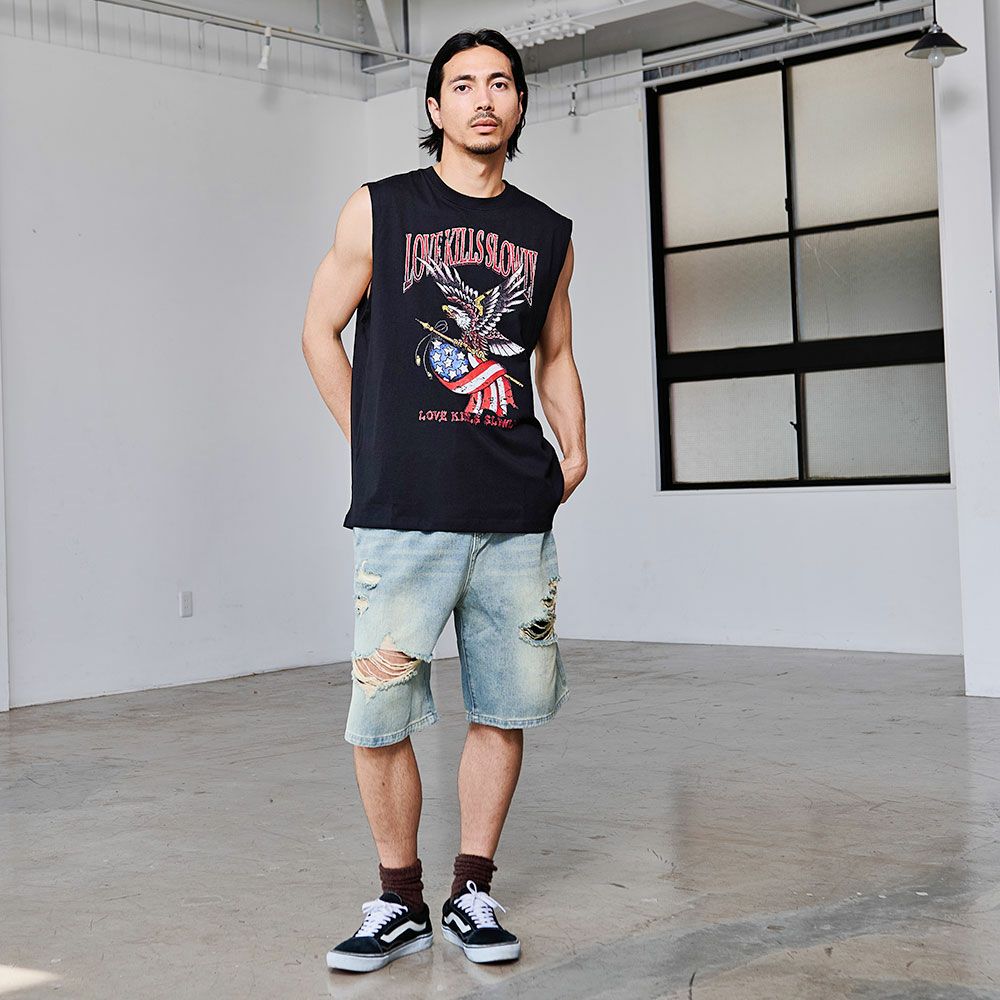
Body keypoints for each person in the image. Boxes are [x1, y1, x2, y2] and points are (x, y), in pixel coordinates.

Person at [301, 26, 587, 974]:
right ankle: (398, 902)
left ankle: (472, 890)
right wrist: (370, 440)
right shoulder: (379, 208)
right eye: (462, 84)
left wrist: (576, 448)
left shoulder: (547, 233)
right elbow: (318, 331)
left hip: (512, 516)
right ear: (434, 108)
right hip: (405, 514)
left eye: (500, 82)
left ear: (519, 103)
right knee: (380, 713)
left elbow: (554, 354)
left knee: (502, 707)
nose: (482, 98)